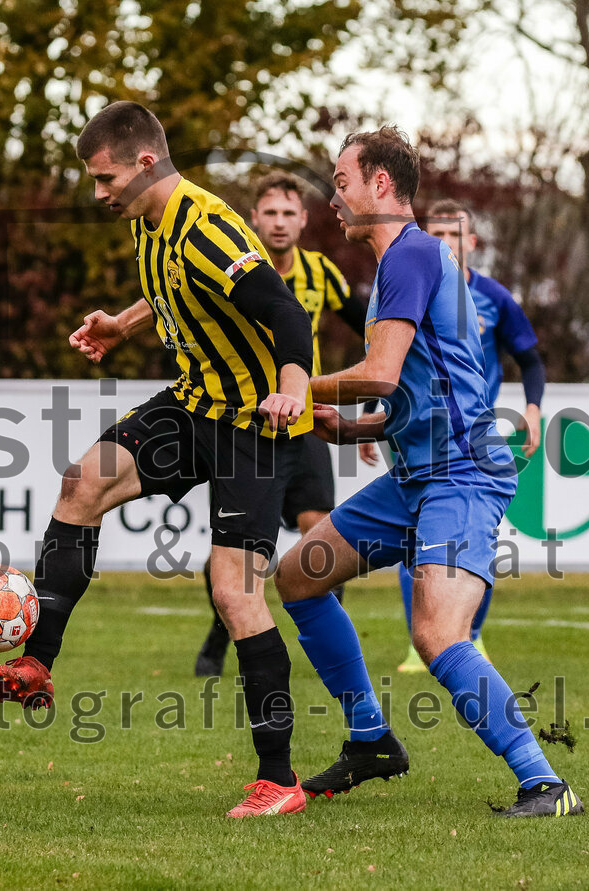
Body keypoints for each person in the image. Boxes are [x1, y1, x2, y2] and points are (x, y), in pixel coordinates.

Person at [0, 101, 315, 818]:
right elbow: (173, 288)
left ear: (144, 162)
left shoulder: (211, 228)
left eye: (105, 177)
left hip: (250, 425)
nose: (98, 192)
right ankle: (38, 660)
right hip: (193, 405)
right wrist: (123, 323)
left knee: (235, 594)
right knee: (82, 483)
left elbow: (287, 313)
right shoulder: (147, 220)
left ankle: (280, 780)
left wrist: (292, 389)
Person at [273, 125, 582, 817]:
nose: (333, 200)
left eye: (342, 182)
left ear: (381, 184)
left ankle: (546, 784)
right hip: (417, 475)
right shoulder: (403, 264)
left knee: (438, 633)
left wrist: (296, 388)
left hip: (461, 473)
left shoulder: (410, 254)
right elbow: (428, 390)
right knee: (298, 575)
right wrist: (354, 428)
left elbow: (382, 375)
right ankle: (371, 741)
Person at [194, 172, 367, 678]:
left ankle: (324, 637)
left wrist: (377, 396)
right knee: (238, 553)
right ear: (253, 218)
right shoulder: (231, 266)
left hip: (303, 422)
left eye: (288, 213)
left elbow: (372, 329)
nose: (278, 222)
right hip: (243, 425)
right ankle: (219, 634)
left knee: (323, 535)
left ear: (304, 220)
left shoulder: (320, 272)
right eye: (269, 212)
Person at [364, 199, 546, 673]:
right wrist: (366, 414)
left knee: (472, 544)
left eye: (455, 234)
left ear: (473, 242)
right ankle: (420, 640)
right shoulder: (411, 282)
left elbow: (530, 359)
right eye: (438, 233)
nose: (445, 242)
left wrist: (532, 408)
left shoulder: (494, 297)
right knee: (415, 539)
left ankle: (470, 634)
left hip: (470, 438)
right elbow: (387, 356)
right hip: (414, 431)